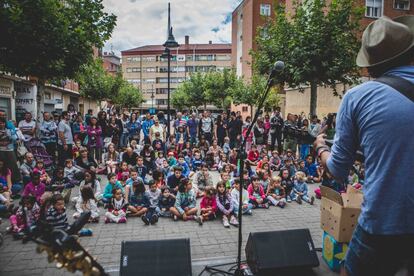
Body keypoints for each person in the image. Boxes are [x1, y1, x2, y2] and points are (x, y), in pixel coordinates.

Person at [313, 16, 414, 276]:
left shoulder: (359, 96)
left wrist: (321, 148)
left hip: (385, 223)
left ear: (371, 65)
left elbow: (337, 169)